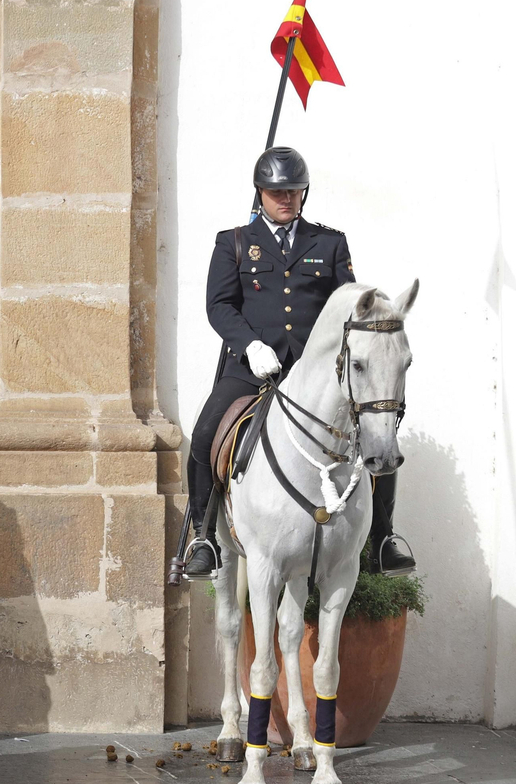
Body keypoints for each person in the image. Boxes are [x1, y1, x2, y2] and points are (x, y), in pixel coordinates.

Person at [176, 146, 414, 581]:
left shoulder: (329, 242)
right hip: (251, 368)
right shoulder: (234, 242)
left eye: (294, 191)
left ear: (304, 192)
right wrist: (250, 345)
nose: (286, 198)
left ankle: (384, 538)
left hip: (315, 373)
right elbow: (219, 305)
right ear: (260, 193)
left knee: (377, 435)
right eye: (277, 191)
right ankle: (204, 538)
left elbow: (349, 308)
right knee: (206, 433)